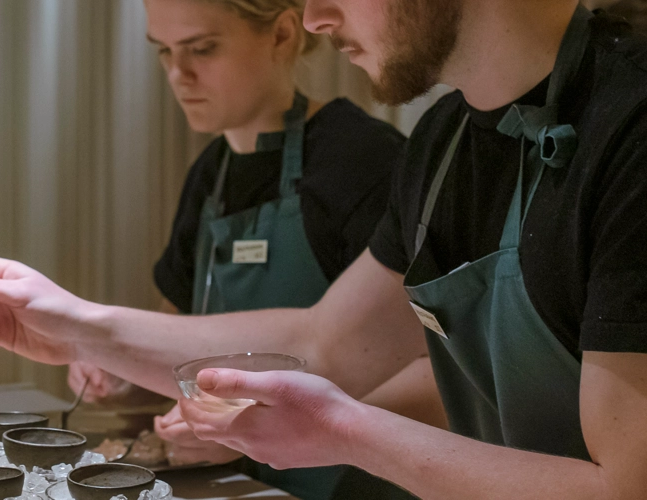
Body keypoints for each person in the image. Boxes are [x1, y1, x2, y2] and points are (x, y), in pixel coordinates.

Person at [0, 1, 647, 497]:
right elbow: (332, 346)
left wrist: (342, 431)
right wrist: (78, 326)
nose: (318, 19)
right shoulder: (449, 140)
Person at [64, 0, 406, 497]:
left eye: (202, 49)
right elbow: (177, 331)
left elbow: (411, 369)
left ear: (283, 35)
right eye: (165, 52)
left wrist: (255, 429)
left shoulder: (363, 162)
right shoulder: (210, 174)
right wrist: (125, 374)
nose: (179, 74)